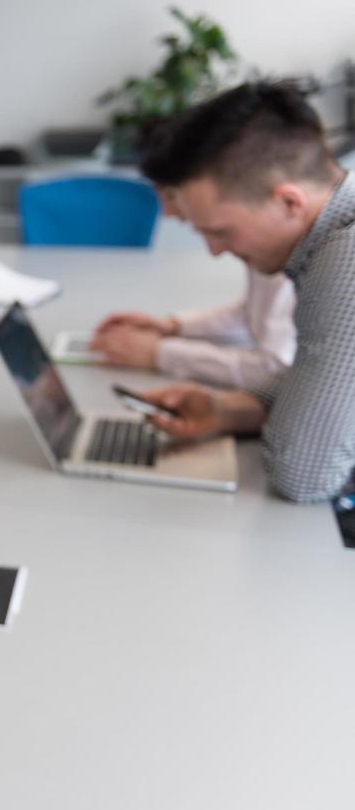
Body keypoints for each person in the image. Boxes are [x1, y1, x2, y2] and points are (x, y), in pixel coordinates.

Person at [136, 81, 355, 502]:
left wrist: (281, 420)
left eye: (220, 232)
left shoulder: (347, 258)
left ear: (288, 202)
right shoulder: (330, 240)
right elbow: (318, 378)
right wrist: (229, 410)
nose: (215, 251)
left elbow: (302, 474)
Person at [90, 185, 296, 390]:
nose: (165, 212)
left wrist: (161, 353)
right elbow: (254, 313)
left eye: (171, 195)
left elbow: (277, 370)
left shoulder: (283, 250)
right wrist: (173, 326)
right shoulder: (270, 245)